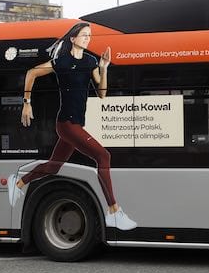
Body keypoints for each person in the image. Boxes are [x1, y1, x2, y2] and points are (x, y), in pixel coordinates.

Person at [8, 22, 137, 230]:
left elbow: (102, 94)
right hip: (66, 123)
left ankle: (19, 182)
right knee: (103, 156)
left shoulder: (90, 61)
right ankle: (113, 211)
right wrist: (26, 103)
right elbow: (31, 73)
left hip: (76, 122)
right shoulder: (62, 62)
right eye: (84, 35)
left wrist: (103, 69)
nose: (87, 38)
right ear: (73, 39)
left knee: (53, 166)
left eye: (89, 35)